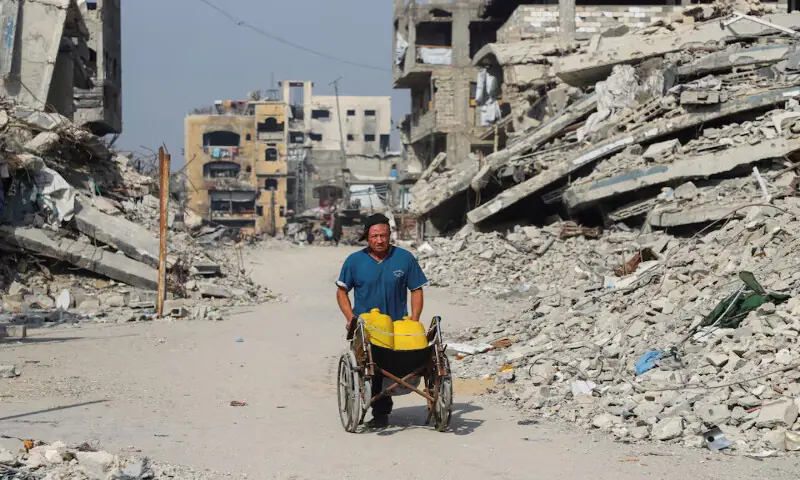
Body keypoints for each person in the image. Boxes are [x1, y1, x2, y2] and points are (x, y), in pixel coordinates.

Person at [335, 213, 428, 428]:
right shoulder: (354, 261)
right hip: (367, 328)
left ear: (389, 235)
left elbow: (416, 289)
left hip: (398, 326)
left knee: (409, 362)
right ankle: (379, 410)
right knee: (371, 366)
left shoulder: (404, 259)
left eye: (384, 236)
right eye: (375, 236)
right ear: (367, 237)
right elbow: (341, 292)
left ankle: (391, 403)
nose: (379, 240)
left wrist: (414, 320)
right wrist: (351, 318)